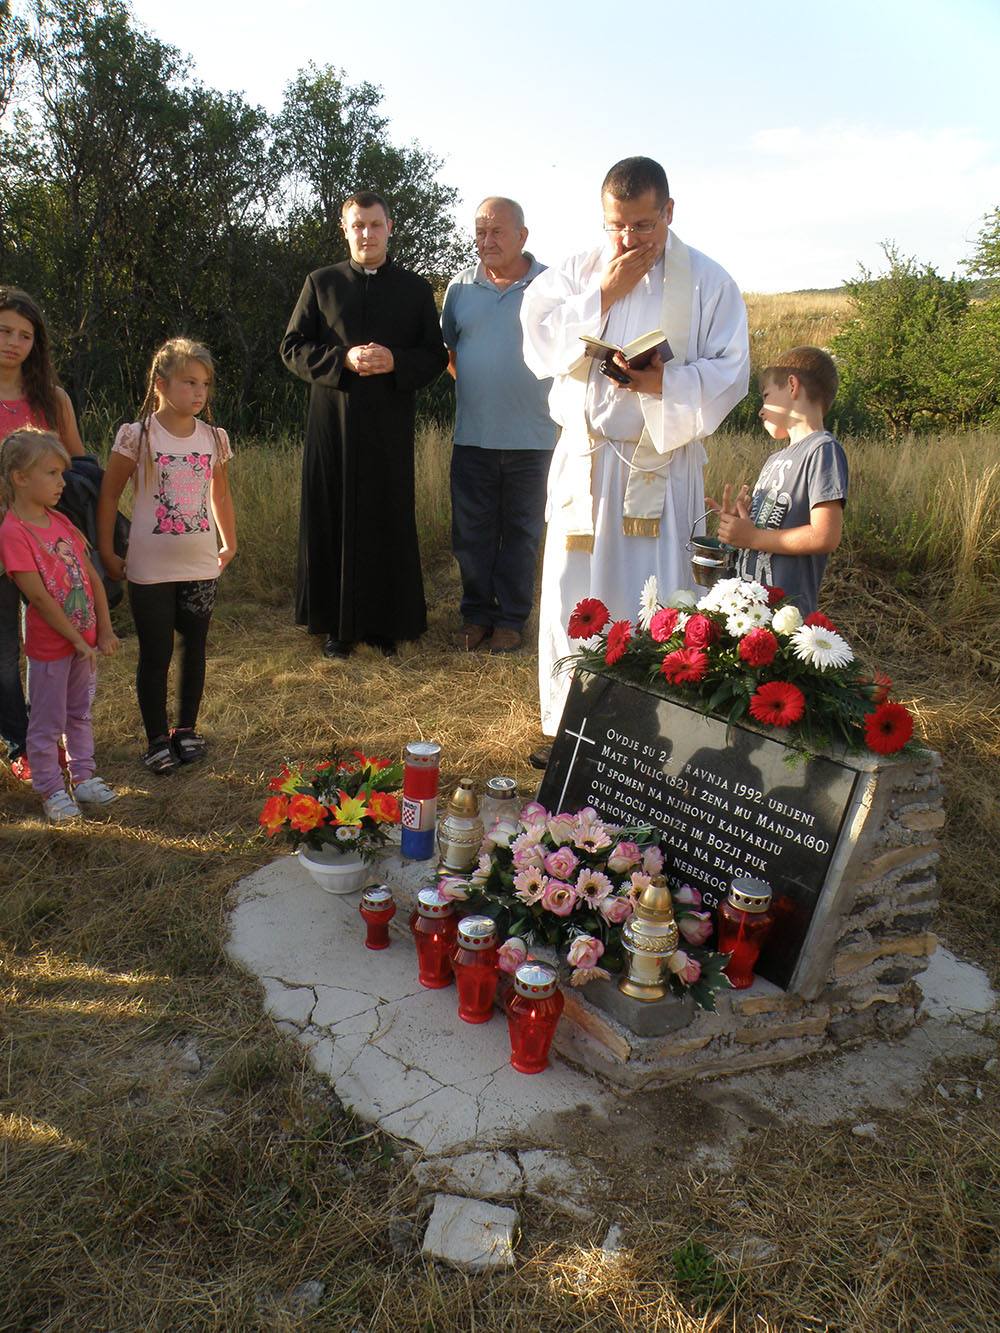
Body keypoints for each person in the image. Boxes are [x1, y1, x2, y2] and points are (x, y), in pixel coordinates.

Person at [520, 156, 750, 737]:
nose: (628, 239)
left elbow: (732, 372)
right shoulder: (578, 271)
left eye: (643, 225)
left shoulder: (709, 282)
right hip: (586, 465)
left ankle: (649, 732)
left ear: (668, 211)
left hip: (660, 465)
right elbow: (537, 342)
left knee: (656, 595)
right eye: (616, 225)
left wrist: (660, 382)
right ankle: (569, 728)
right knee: (574, 592)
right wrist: (602, 295)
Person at [280, 190, 448, 659]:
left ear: (389, 228)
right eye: (358, 225)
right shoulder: (321, 283)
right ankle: (337, 626)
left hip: (388, 426)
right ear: (345, 229)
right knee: (333, 513)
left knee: (385, 516)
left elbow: (434, 356)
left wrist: (396, 360)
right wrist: (343, 359)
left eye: (375, 225)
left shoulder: (415, 289)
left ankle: (384, 625)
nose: (367, 234)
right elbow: (292, 347)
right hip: (332, 426)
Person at [96, 338, 237, 775]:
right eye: (189, 382)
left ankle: (187, 729)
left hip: (200, 565)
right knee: (156, 654)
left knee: (194, 648)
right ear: (160, 384)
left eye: (205, 384)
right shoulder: (136, 436)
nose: (199, 392)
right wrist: (107, 551)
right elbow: (108, 496)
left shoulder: (213, 437)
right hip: (150, 568)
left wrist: (229, 542)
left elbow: (220, 494)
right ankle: (157, 739)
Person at [441, 197, 557, 654]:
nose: (486, 241)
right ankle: (476, 616)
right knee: (471, 536)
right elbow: (451, 353)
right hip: (474, 437)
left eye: (497, 232)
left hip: (535, 439)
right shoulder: (460, 288)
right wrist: (484, 388)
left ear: (522, 236)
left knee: (522, 536)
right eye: (480, 232)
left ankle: (510, 619)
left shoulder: (550, 286)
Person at [0, 428, 118, 822]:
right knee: (47, 723)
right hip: (52, 650)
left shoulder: (62, 522)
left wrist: (104, 629)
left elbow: (92, 577)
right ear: (20, 477)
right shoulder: (14, 533)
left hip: (84, 644)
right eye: (51, 473)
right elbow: (39, 598)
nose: (62, 482)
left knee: (80, 714)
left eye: (61, 473)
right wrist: (75, 640)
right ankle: (51, 789)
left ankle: (83, 777)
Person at [0, 288, 85, 785]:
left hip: (47, 547)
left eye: (25, 335)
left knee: (51, 646)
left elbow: (78, 467)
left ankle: (50, 734)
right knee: (2, 653)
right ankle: (21, 742)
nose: (14, 342)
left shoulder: (52, 400)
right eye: (4, 331)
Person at [707, 346, 847, 615]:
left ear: (792, 385)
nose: (761, 411)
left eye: (766, 396)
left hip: (786, 617)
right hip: (751, 613)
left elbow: (825, 536)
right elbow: (766, 529)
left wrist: (753, 536)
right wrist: (738, 525)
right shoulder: (775, 459)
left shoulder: (821, 449)